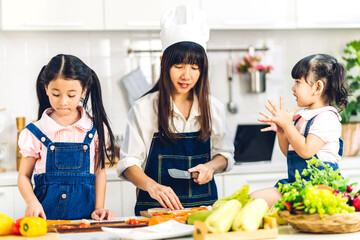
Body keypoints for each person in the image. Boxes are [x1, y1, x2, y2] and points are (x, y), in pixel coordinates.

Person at [117, 5, 235, 215]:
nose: (186, 76)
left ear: (203, 69)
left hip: (204, 210)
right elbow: (128, 163)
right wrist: (152, 186)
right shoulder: (143, 108)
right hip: (155, 212)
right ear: (164, 63)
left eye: (194, 67)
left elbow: (224, 154)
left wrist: (211, 167)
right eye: (179, 66)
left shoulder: (213, 107)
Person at [17, 54, 116, 220]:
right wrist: (31, 202)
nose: (63, 102)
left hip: (86, 221)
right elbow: (23, 176)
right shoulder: (36, 132)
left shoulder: (95, 130)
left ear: (84, 91)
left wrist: (99, 208)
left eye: (71, 95)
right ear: (46, 88)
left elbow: (99, 173)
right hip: (45, 221)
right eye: (56, 94)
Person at [250, 54, 349, 207]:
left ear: (317, 87)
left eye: (297, 82)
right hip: (297, 186)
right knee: (252, 199)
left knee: (256, 201)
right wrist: (282, 131)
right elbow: (289, 152)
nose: (293, 88)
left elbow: (306, 151)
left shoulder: (327, 117)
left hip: (320, 190)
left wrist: (289, 126)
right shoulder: (302, 117)